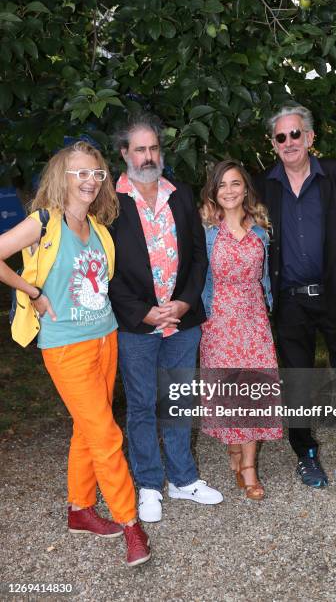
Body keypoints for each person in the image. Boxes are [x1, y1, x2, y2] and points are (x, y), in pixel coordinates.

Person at [1, 141, 151, 567]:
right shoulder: (42, 223)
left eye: (97, 174)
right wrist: (31, 292)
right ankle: (130, 524)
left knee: (89, 429)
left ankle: (80, 510)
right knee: (106, 436)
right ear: (61, 177)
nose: (90, 181)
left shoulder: (100, 229)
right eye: (80, 172)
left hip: (106, 338)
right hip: (65, 347)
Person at [253, 104, 336, 498]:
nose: (289, 142)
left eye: (296, 134)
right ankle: (305, 452)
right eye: (281, 137)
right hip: (291, 302)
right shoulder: (264, 185)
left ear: (311, 137)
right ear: (274, 144)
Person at [109, 114, 223, 523]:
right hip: (136, 324)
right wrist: (142, 310)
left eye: (154, 147)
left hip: (181, 321)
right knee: (141, 405)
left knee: (177, 400)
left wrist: (186, 302)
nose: (148, 155)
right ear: (125, 153)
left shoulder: (180, 194)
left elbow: (197, 256)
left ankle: (183, 479)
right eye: (139, 149)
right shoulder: (109, 201)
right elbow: (106, 268)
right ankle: (151, 486)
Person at [200, 160, 282, 500]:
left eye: (235, 184)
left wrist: (270, 308)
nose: (229, 191)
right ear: (214, 192)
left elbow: (267, 279)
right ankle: (233, 448)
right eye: (222, 185)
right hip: (218, 321)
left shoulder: (261, 230)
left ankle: (248, 466)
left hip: (253, 321)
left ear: (245, 189)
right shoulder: (206, 232)